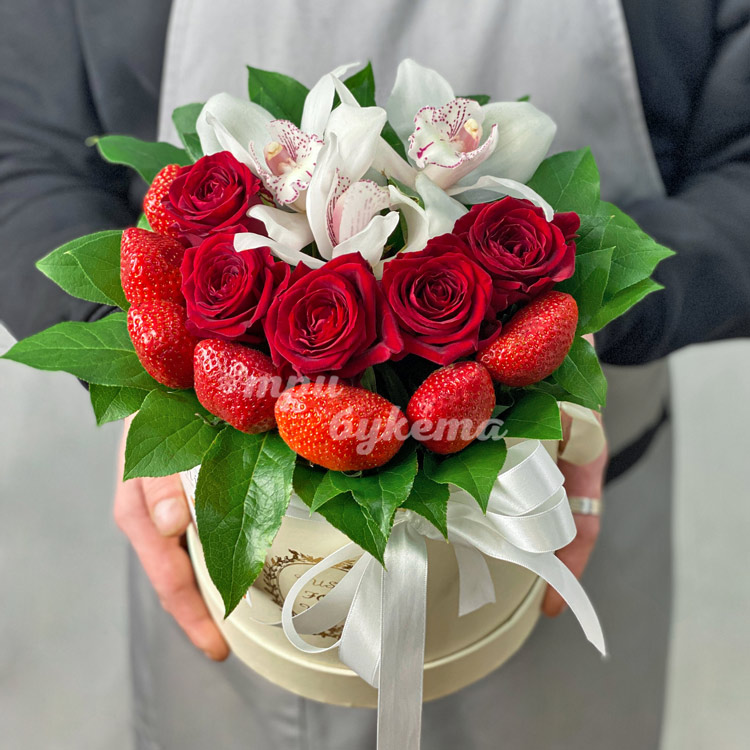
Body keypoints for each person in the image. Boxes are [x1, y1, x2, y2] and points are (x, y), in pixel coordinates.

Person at [1, 1, 748, 748]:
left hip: (547, 516)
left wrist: (572, 327)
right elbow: (19, 146)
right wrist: (148, 351)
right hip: (240, 571)